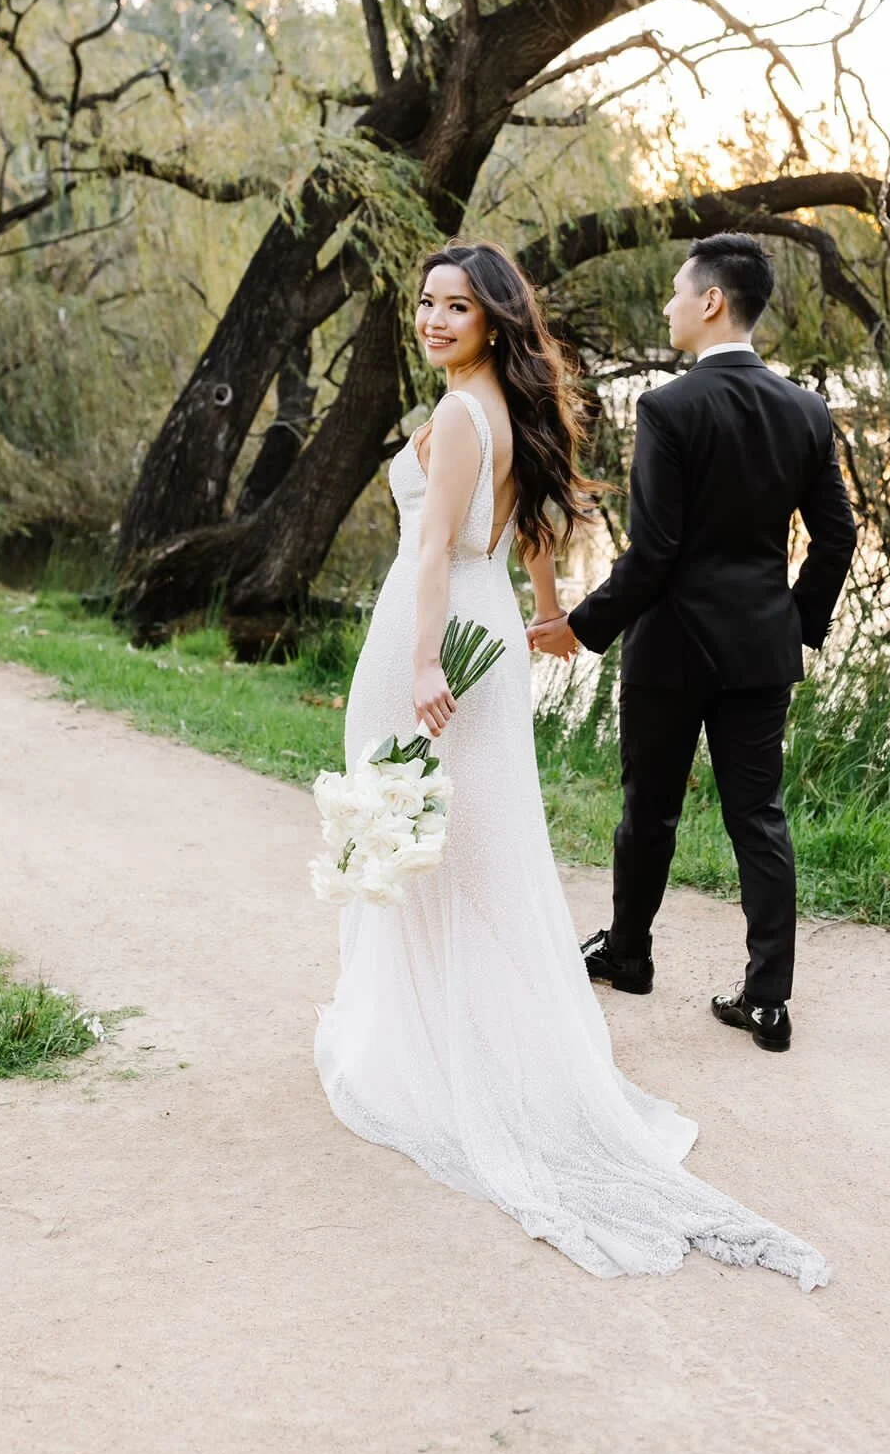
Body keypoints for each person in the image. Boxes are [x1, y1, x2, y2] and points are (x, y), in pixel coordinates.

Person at [314, 240, 828, 1286]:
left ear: (492, 316)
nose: (431, 318)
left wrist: (423, 660)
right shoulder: (515, 404)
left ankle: (435, 1050)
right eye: (423, 303)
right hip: (506, 624)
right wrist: (548, 612)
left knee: (436, 836)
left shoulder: (466, 413)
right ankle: (533, 1027)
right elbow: (540, 521)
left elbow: (435, 549)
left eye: (453, 305)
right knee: (489, 843)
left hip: (445, 632)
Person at [529, 233, 857, 1054]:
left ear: (712, 302)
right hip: (759, 650)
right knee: (760, 820)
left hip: (670, 649)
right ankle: (769, 1001)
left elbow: (655, 554)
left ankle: (631, 955)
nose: (668, 306)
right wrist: (794, 620)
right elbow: (838, 538)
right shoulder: (806, 409)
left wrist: (581, 624)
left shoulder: (669, 408)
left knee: (649, 809)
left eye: (679, 293)